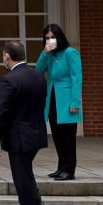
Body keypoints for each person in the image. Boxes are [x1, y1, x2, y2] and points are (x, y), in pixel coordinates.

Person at [0, 41, 48, 205]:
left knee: (22, 181)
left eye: (4, 55)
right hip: (36, 134)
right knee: (26, 174)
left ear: (7, 56)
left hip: (18, 137)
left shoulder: (9, 80)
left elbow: (1, 113)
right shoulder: (39, 76)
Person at [35, 23, 82, 181]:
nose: (50, 40)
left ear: (59, 37)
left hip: (67, 100)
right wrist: (44, 52)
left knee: (67, 136)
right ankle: (61, 167)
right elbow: (38, 70)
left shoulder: (70, 53)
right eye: (47, 38)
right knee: (57, 136)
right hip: (52, 98)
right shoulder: (49, 55)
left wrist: (75, 103)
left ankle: (69, 170)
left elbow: (77, 78)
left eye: (53, 37)